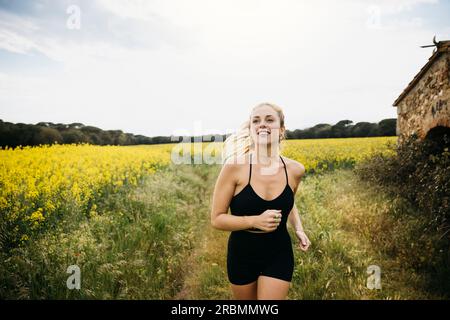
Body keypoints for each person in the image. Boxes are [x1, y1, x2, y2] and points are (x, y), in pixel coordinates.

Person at [210, 102, 311, 300]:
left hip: (278, 252)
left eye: (269, 120)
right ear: (251, 130)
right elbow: (217, 219)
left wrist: (298, 228)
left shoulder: (295, 170)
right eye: (256, 121)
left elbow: (289, 202)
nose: (262, 124)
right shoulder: (234, 168)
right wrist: (254, 221)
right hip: (242, 253)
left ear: (281, 130)